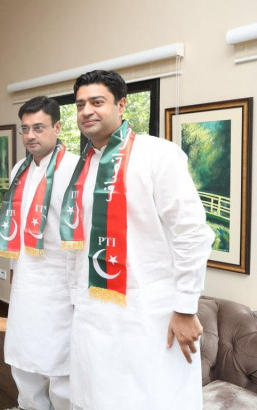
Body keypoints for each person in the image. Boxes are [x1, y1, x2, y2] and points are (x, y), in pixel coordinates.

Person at [60, 70, 215, 410]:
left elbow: (192, 233)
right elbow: (76, 241)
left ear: (121, 105)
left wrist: (185, 307)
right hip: (93, 311)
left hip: (149, 312)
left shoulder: (158, 154)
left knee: (149, 397)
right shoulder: (82, 167)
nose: (86, 111)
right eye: (80, 104)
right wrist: (74, 298)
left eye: (97, 102)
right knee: (96, 396)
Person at [0, 96, 79, 410]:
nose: (30, 135)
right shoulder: (19, 169)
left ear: (57, 127)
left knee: (60, 365)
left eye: (39, 128)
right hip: (26, 278)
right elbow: (15, 226)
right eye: (25, 129)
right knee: (24, 357)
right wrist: (13, 268)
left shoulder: (77, 169)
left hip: (60, 282)